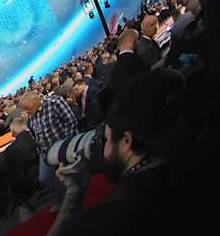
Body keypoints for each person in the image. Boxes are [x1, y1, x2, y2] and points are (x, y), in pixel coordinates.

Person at [46, 69, 188, 233]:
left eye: (106, 140)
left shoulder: (105, 220)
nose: (102, 147)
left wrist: (74, 193)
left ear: (127, 141)